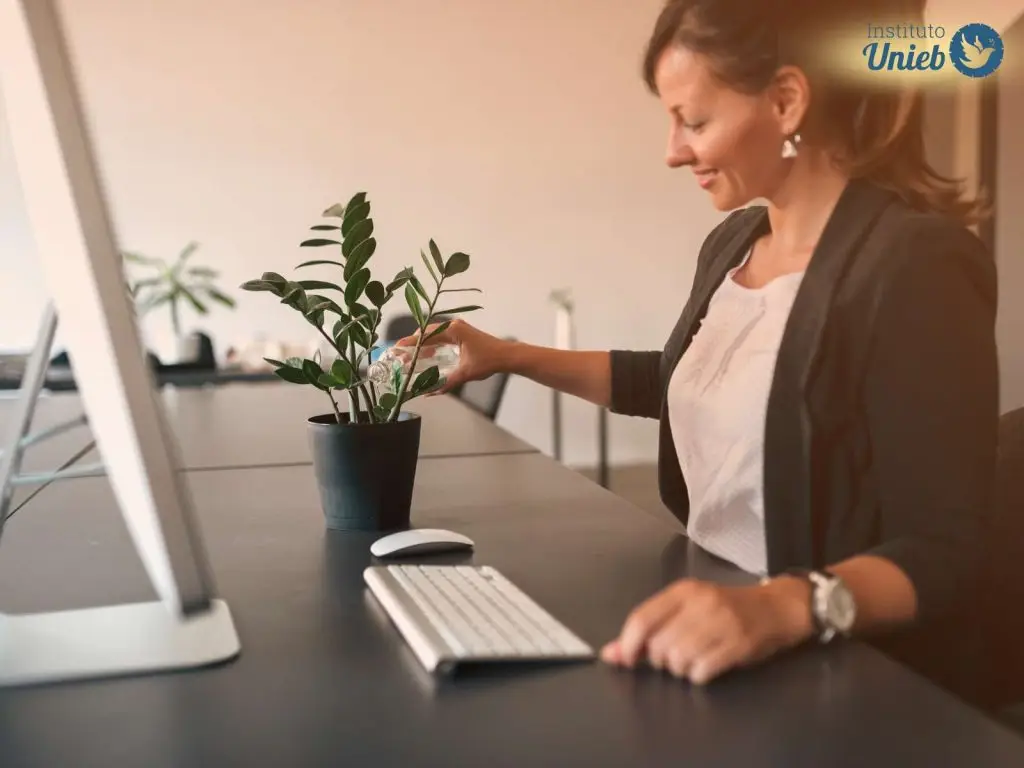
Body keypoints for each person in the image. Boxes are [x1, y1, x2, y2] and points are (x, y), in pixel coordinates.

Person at [400, 0, 998, 701]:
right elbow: (683, 380)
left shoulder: (914, 266)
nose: (673, 149)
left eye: (695, 119)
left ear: (785, 101)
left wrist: (783, 606)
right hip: (713, 619)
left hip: (828, 669)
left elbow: (946, 552)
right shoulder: (735, 243)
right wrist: (505, 354)